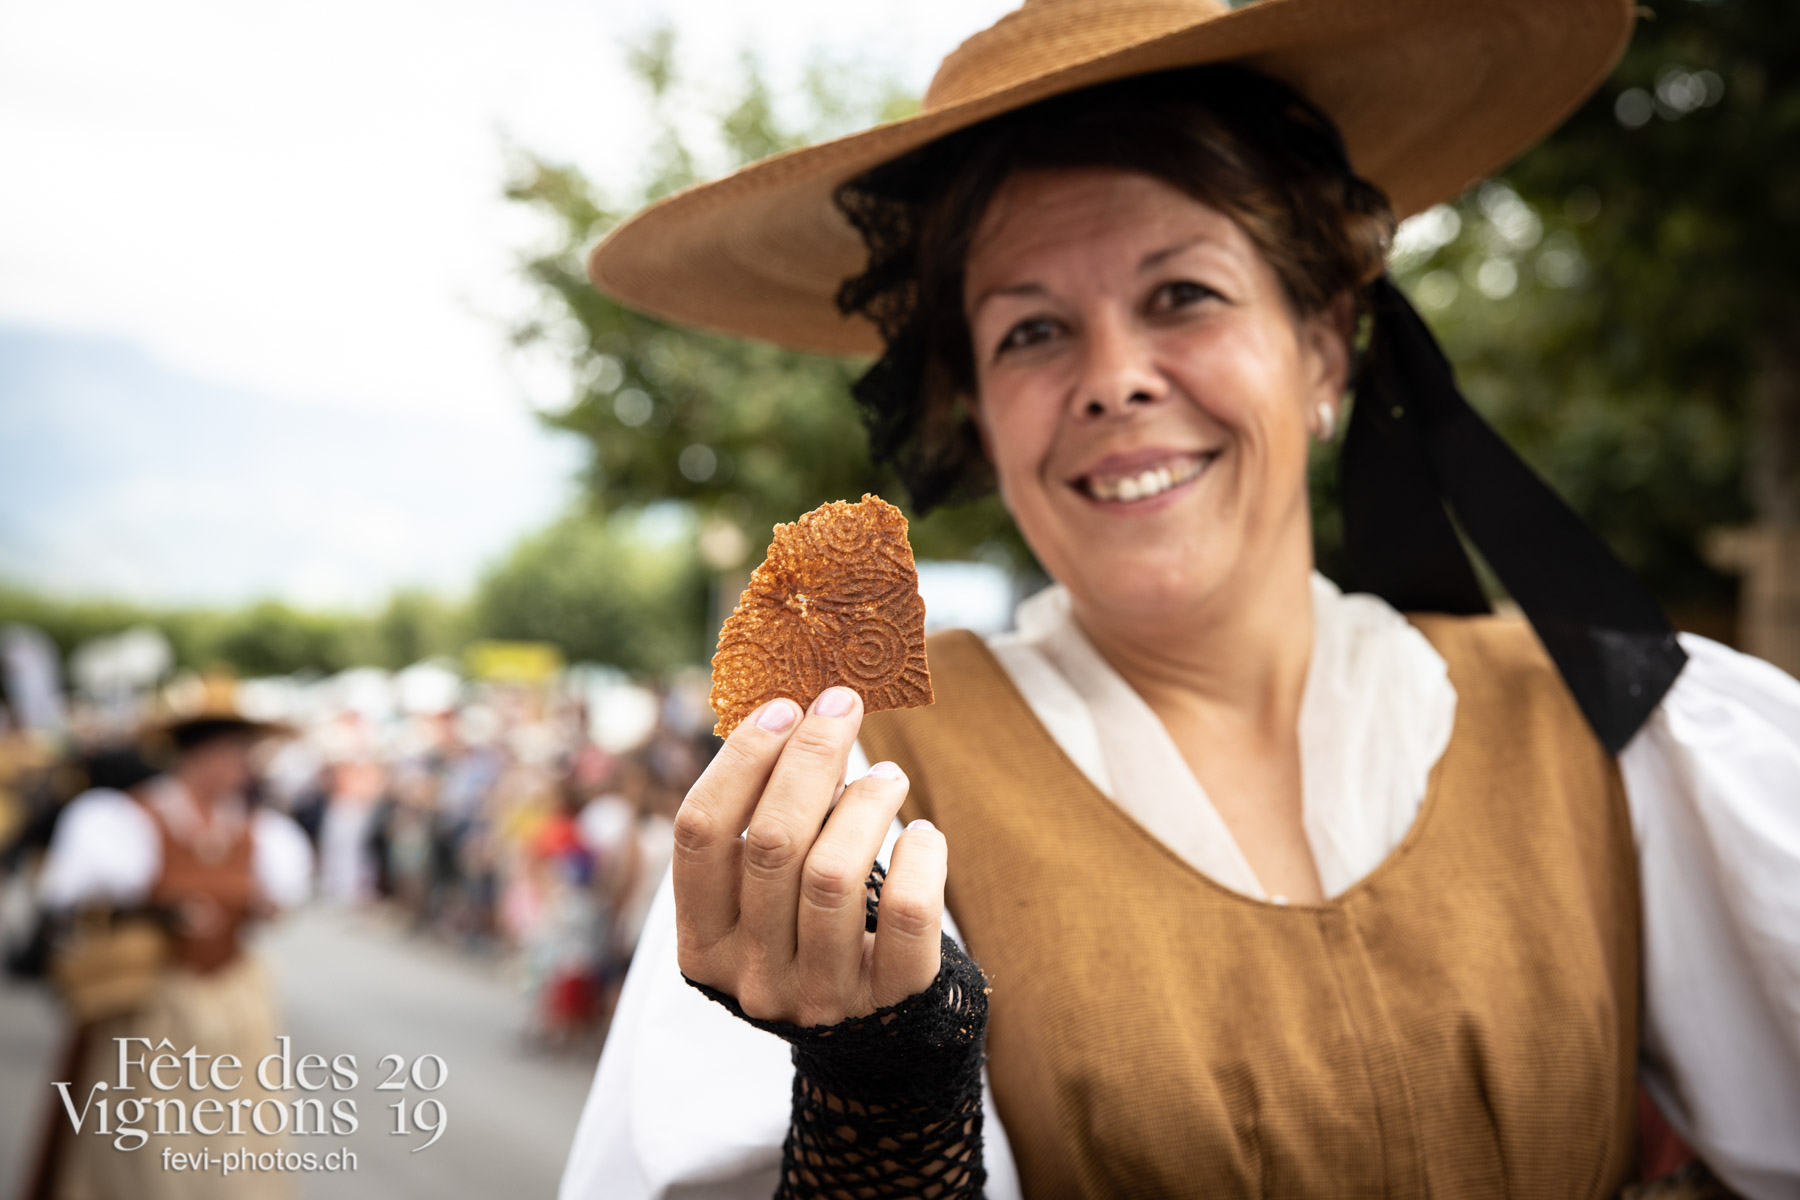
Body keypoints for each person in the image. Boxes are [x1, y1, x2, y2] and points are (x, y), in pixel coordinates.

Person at [558, 1, 1800, 1197]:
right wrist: (878, 1105)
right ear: (979, 421)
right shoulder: (851, 805)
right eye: (1031, 333)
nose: (1112, 380)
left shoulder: (1617, 725)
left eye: (1183, 296)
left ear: (1323, 346)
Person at [28, 714, 314, 1200]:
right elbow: (70, 901)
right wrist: (157, 912)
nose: (239, 768)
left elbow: (276, 906)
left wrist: (256, 905)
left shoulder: (257, 830)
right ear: (196, 756)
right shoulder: (126, 817)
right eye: (229, 754)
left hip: (233, 997)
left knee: (237, 1131)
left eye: (242, 755)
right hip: (153, 999)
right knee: (146, 1138)